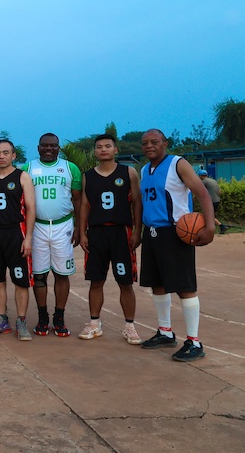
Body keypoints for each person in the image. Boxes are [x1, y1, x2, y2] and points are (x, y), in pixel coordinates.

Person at [139, 129, 214, 362]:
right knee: (158, 284)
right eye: (145, 143)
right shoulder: (144, 170)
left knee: (184, 286)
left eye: (154, 142)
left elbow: (202, 193)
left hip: (176, 233)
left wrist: (210, 225)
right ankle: (165, 332)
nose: (149, 146)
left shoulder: (177, 164)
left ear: (165, 143)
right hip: (152, 233)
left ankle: (194, 341)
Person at [77, 134, 143, 345]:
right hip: (97, 233)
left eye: (107, 146)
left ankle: (130, 326)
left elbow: (137, 203)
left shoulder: (128, 172)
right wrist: (82, 232)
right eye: (99, 147)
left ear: (116, 149)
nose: (103, 149)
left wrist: (137, 230)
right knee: (96, 280)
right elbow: (84, 205)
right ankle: (94, 323)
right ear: (95, 151)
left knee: (125, 282)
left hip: (121, 232)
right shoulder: (88, 176)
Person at [23, 133, 82, 337]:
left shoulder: (70, 168)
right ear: (38, 147)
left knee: (61, 274)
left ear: (59, 148)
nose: (49, 149)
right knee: (39, 275)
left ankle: (59, 316)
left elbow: (78, 200)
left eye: (53, 146)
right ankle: (42, 316)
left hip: (62, 225)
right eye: (45, 145)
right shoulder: (28, 168)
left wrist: (79, 227)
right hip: (37, 226)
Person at [0, 139, 36, 340]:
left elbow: (31, 207)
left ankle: (21, 322)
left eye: (6, 153)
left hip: (16, 232)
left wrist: (28, 238)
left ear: (13, 156)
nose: (1, 156)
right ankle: (1, 319)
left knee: (21, 280)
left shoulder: (23, 177)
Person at [198, 169, 227, 234]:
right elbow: (220, 192)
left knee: (208, 216)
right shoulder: (214, 181)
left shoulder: (203, 182)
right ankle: (217, 227)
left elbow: (200, 191)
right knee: (211, 215)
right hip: (217, 200)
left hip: (210, 201)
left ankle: (222, 226)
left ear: (200, 176)